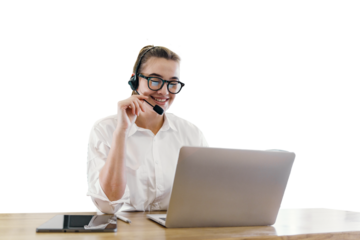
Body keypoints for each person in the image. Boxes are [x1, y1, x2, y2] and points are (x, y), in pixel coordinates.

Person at [86, 41, 210, 215]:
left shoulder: (191, 131)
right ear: (135, 81)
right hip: (121, 230)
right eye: (155, 80)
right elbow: (108, 203)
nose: (164, 92)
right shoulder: (104, 128)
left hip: (175, 229)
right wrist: (122, 131)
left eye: (172, 83)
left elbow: (209, 191)